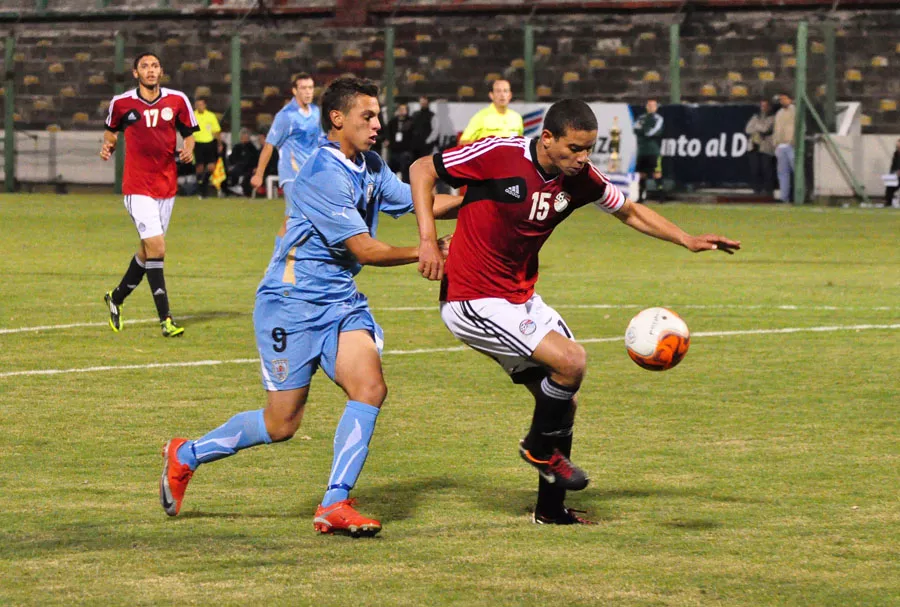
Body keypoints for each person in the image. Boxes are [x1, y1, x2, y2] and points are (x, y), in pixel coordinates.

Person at [410, 99, 740, 525]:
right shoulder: (499, 154)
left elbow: (629, 211)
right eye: (574, 149)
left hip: (520, 295)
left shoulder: (580, 178)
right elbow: (423, 169)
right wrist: (425, 239)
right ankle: (537, 447)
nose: (583, 158)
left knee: (565, 400)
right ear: (547, 139)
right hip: (473, 296)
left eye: (589, 149)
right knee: (572, 361)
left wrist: (687, 239)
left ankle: (550, 510)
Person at [159, 77, 462, 536]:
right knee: (281, 423)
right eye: (368, 116)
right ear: (337, 119)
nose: (378, 124)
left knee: (370, 388)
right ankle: (187, 454)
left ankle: (335, 502)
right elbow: (364, 249)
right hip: (290, 305)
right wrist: (428, 251)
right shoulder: (323, 173)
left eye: (377, 115)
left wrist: (480, 202)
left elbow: (419, 201)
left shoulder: (371, 165)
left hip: (339, 302)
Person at [100, 52, 197, 338]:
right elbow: (110, 132)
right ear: (135, 73)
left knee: (148, 252)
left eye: (155, 66)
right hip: (137, 186)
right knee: (158, 248)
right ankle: (165, 319)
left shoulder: (177, 100)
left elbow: (189, 132)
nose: (151, 70)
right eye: (145, 66)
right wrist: (109, 146)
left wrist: (189, 147)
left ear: (161, 70)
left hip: (166, 187)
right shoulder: (122, 103)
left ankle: (115, 298)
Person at [251, 73, 322, 219]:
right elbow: (269, 145)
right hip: (292, 173)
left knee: (299, 218)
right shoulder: (286, 115)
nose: (308, 91)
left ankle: (282, 243)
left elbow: (320, 140)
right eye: (303, 88)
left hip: (312, 173)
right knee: (299, 217)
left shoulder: (315, 112)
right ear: (295, 91)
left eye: (310, 87)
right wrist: (259, 174)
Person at [459, 79, 524, 145]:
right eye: (498, 91)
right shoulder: (481, 116)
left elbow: (520, 142)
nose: (502, 95)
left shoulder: (517, 117)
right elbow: (463, 142)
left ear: (510, 95)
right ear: (491, 95)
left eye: (505, 91)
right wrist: (485, 146)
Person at [633, 98, 664, 202]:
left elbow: (653, 132)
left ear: (656, 107)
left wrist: (644, 130)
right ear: (646, 107)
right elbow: (636, 129)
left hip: (653, 150)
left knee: (657, 173)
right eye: (649, 105)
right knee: (642, 174)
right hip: (642, 150)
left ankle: (661, 196)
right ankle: (641, 196)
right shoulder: (641, 118)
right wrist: (644, 130)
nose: (651, 107)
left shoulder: (658, 119)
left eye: (653, 106)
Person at [745, 99, 776, 197]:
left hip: (765, 148)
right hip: (753, 147)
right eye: (762, 106)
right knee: (755, 170)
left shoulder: (772, 117)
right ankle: (756, 190)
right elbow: (748, 129)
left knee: (767, 170)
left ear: (769, 107)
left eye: (765, 106)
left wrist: (756, 126)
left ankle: (768, 191)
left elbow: (766, 129)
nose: (763, 108)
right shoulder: (755, 116)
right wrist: (758, 127)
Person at [193, 98, 222, 199]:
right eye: (197, 104)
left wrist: (219, 144)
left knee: (211, 167)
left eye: (201, 104)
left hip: (209, 143)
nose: (199, 106)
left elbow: (216, 131)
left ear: (205, 105)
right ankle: (200, 190)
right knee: (199, 167)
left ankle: (204, 186)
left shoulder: (211, 116)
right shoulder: (192, 115)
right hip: (197, 143)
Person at [774, 92, 796, 203]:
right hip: (781, 146)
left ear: (790, 99)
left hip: (791, 145)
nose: (782, 101)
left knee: (796, 171)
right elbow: (776, 129)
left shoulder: (796, 111)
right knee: (782, 173)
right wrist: (776, 144)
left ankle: (799, 195)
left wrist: (794, 141)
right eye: (781, 99)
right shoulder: (779, 113)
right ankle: (784, 197)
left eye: (784, 99)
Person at [226, 128, 260, 197]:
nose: (244, 138)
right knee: (229, 172)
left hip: (248, 168)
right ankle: (230, 190)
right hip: (237, 168)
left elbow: (255, 160)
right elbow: (231, 159)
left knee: (247, 175)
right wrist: (230, 166)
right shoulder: (237, 147)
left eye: (245, 136)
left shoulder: (252, 148)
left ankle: (245, 192)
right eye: (242, 136)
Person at [385, 102, 413, 182]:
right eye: (400, 109)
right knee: (391, 172)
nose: (402, 111)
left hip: (406, 151)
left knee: (405, 174)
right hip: (394, 151)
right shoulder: (392, 122)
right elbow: (388, 133)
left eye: (403, 109)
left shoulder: (410, 122)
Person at [409, 95, 436, 160]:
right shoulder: (415, 114)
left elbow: (434, 131)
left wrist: (428, 141)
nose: (423, 103)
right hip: (415, 145)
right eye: (422, 102)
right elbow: (411, 128)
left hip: (426, 146)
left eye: (425, 102)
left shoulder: (432, 115)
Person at [884, 138, 900, 208]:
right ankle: (888, 202)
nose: (897, 146)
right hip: (896, 174)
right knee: (889, 185)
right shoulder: (896, 153)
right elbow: (893, 165)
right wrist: (892, 173)